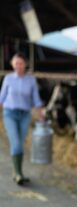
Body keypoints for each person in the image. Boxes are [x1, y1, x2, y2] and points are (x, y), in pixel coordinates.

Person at [0, 52, 43, 185]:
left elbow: (36, 99)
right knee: (16, 143)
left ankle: (17, 171)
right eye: (16, 63)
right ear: (13, 64)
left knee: (21, 143)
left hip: (24, 114)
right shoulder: (8, 78)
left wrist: (41, 115)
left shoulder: (31, 80)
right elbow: (2, 97)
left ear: (25, 65)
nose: (18, 66)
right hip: (10, 113)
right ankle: (18, 173)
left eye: (21, 63)